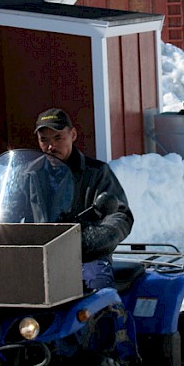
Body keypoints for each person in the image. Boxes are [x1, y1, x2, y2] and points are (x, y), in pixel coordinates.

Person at [34, 108, 134, 290]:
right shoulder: (28, 175)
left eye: (58, 138)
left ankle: (108, 317)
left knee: (96, 291)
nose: (50, 147)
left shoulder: (96, 173)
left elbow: (120, 214)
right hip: (37, 256)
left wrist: (101, 236)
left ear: (72, 135)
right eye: (44, 140)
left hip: (85, 256)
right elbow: (8, 210)